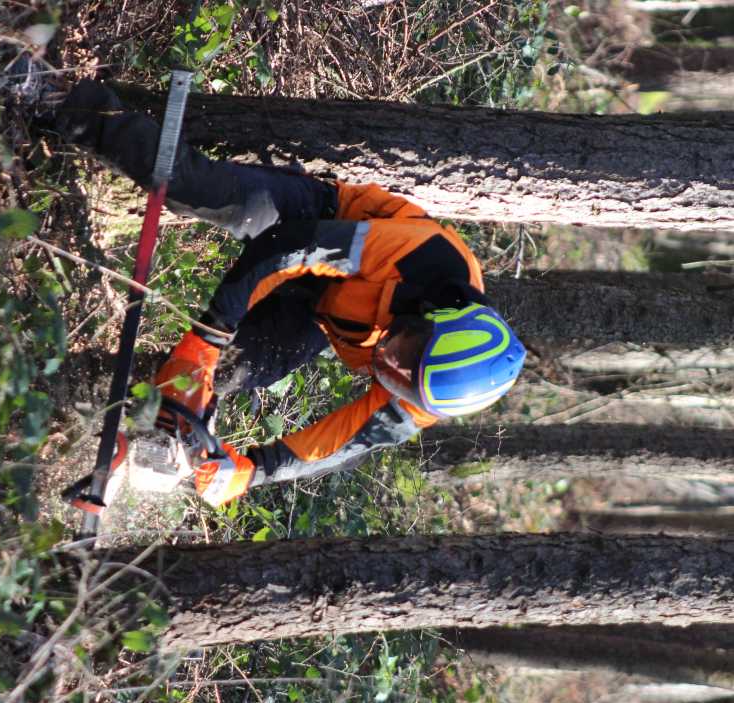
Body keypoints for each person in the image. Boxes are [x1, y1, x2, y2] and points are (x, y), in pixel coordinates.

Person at [57, 80, 526, 508]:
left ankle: (125, 422)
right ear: (440, 316)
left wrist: (254, 471)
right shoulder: (428, 259)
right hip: (320, 224)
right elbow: (289, 249)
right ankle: (68, 103)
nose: (391, 360)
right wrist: (207, 338)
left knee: (233, 372)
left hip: (322, 314)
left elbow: (343, 442)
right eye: (407, 349)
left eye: (401, 376)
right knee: (191, 187)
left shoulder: (429, 395)